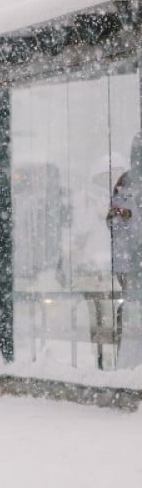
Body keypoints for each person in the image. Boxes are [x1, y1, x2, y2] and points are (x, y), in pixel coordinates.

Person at [108, 133, 142, 369]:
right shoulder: (126, 182)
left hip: (131, 263)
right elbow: (116, 225)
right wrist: (121, 218)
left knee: (134, 318)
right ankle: (129, 367)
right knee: (133, 320)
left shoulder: (127, 182)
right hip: (133, 264)